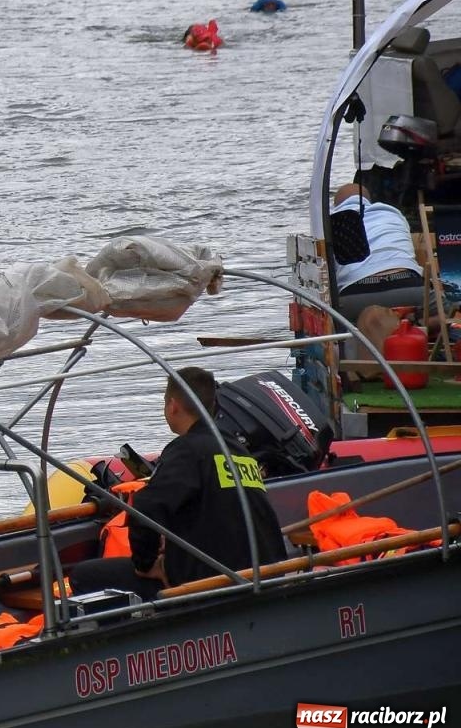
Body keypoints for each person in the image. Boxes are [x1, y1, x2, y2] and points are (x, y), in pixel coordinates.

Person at [69, 367, 288, 600]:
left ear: (172, 405)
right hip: (266, 575)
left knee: (83, 575)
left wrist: (146, 565)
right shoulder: (237, 450)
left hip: (211, 584)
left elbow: (145, 509)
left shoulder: (187, 451)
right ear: (213, 406)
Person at [330, 183, 424, 320]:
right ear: (368, 200)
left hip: (356, 296)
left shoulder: (332, 221)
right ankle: (414, 322)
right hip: (408, 287)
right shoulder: (392, 213)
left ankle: (359, 338)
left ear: (336, 205)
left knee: (345, 325)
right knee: (446, 311)